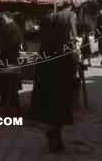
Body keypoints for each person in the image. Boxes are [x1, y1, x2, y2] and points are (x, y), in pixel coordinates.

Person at [30, 12, 80, 153]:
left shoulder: (46, 43)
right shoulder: (63, 44)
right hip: (60, 84)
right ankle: (55, 138)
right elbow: (71, 63)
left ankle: (54, 136)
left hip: (47, 84)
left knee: (52, 113)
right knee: (58, 112)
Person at [0, 11, 23, 110]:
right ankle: (5, 100)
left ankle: (13, 103)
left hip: (11, 58)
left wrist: (1, 49)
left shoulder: (14, 28)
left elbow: (13, 44)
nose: (2, 19)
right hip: (5, 57)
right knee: (5, 80)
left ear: (8, 17)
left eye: (3, 17)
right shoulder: (6, 27)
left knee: (12, 81)